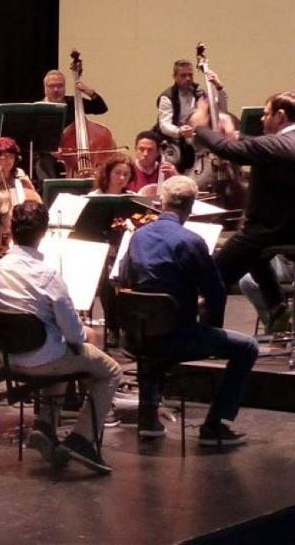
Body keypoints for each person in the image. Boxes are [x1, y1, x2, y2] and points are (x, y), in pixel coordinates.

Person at [0, 202, 122, 473]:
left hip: (9, 358)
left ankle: (45, 426)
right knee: (110, 370)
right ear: (43, 234)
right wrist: (84, 332)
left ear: (11, 229)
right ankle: (82, 439)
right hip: (42, 357)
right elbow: (74, 334)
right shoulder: (47, 275)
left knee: (59, 349)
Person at [120, 176, 258, 445]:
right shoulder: (191, 242)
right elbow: (216, 293)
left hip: (138, 337)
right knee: (248, 347)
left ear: (161, 202)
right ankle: (214, 426)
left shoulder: (138, 236)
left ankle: (148, 419)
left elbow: (126, 282)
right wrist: (209, 325)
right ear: (192, 208)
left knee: (152, 330)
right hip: (177, 337)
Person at [194, 91, 295, 332]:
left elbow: (228, 150)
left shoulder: (277, 146)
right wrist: (236, 135)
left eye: (266, 114)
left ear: (280, 115)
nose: (263, 120)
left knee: (212, 277)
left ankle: (208, 341)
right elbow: (262, 148)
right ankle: (277, 308)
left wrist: (201, 128)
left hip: (269, 232)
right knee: (255, 257)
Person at [156, 59, 227, 174]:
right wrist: (179, 131)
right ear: (174, 77)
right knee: (173, 159)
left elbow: (221, 110)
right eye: (183, 75)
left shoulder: (200, 92)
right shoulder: (167, 97)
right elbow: (164, 125)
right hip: (178, 140)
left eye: (190, 75)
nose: (188, 78)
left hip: (200, 140)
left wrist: (219, 88)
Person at [0, 136, 37, 204]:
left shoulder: (19, 173)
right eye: (3, 156)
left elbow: (34, 198)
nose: (8, 160)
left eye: (11, 156)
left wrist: (29, 186)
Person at [127, 129, 177, 194]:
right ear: (135, 149)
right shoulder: (127, 170)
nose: (145, 154)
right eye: (141, 149)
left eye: (150, 150)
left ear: (158, 152)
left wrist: (175, 177)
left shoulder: (166, 171)